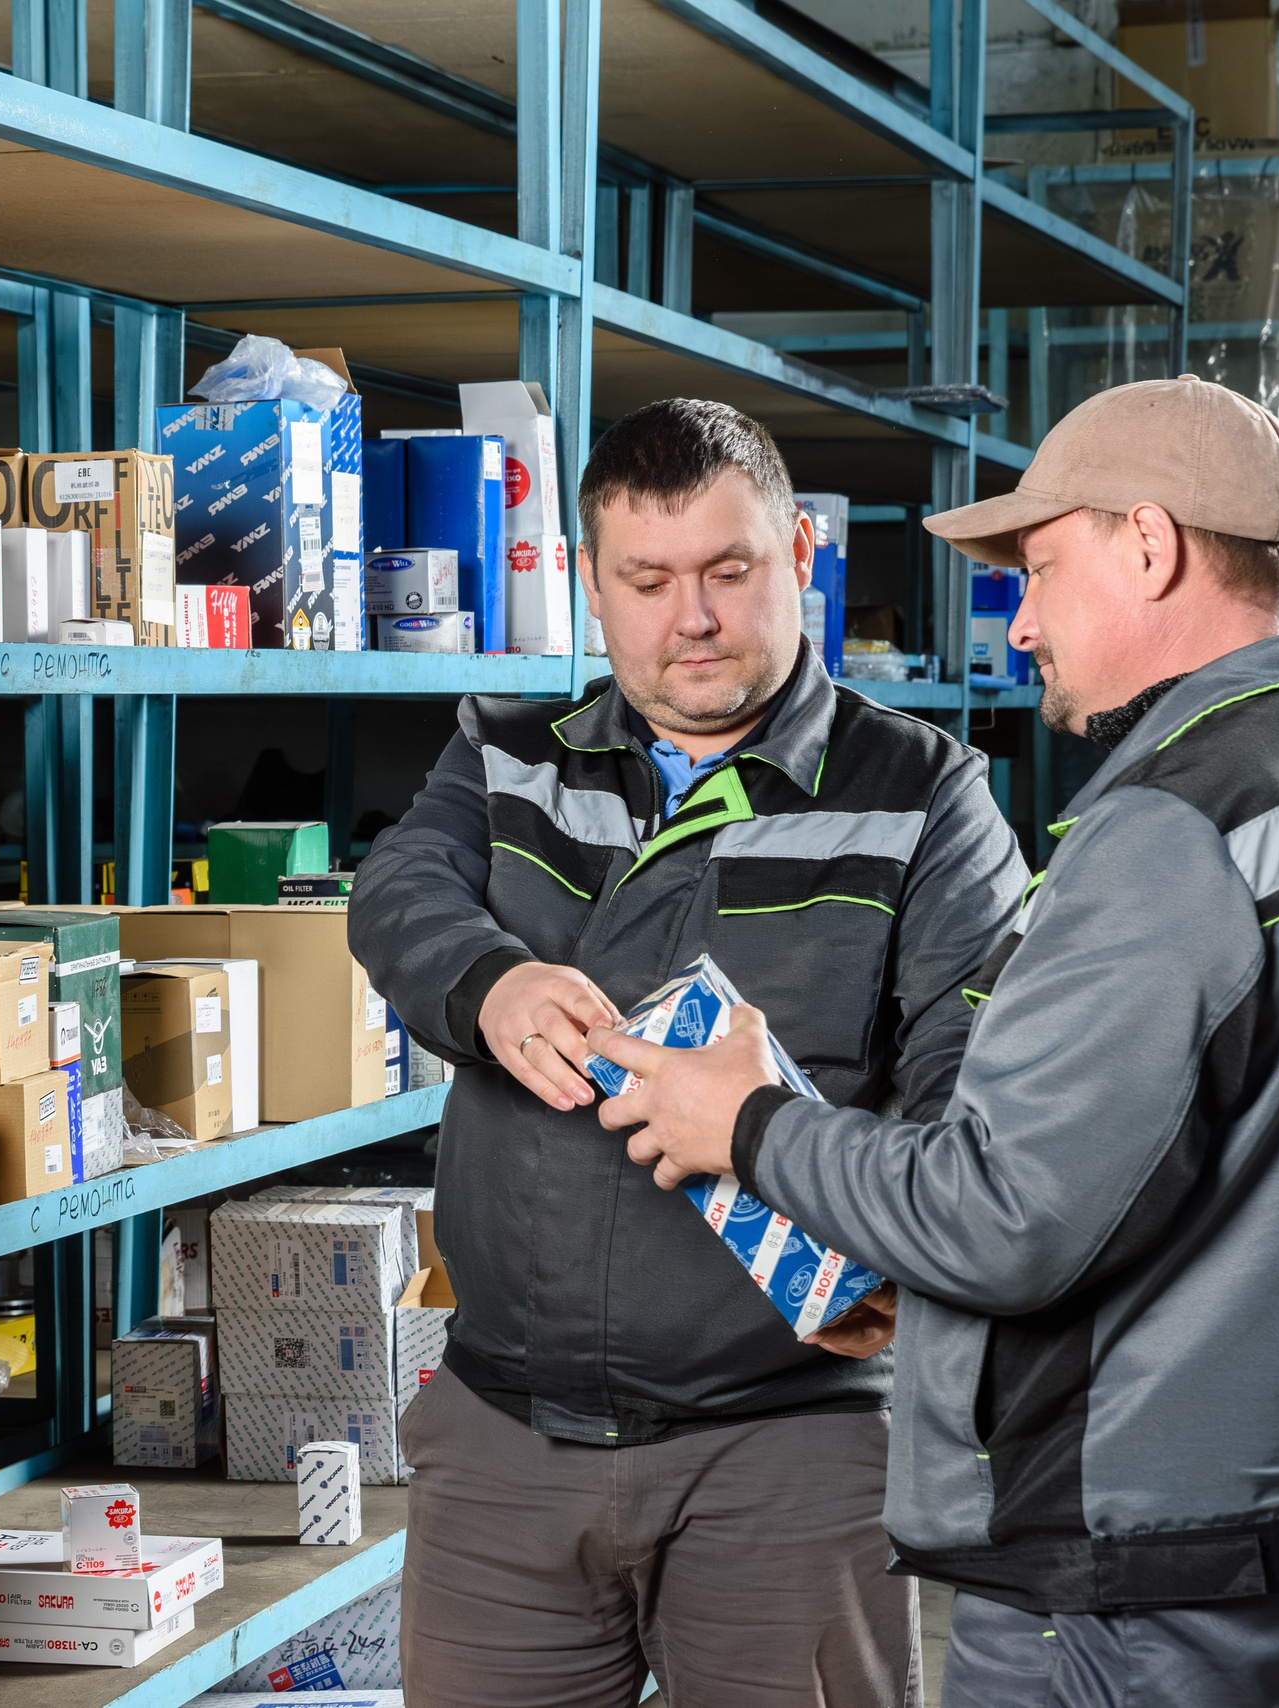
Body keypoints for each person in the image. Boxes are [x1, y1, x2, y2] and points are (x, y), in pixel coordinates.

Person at [598, 375, 1279, 1708]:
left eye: (1042, 567)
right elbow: (1197, 1174)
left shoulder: (1176, 832)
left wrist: (751, 1127)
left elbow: (1005, 1217)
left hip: (1119, 1571)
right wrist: (926, 1308)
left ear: (1153, 545)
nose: (1021, 619)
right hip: (1273, 1522)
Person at [348, 397, 1028, 1707]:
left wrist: (865, 1218)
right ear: (594, 585)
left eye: (729, 571)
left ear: (802, 559)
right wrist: (486, 983)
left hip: (788, 1446)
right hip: (505, 1437)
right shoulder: (506, 756)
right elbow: (398, 893)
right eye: (649, 581)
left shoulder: (923, 798)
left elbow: (975, 1100)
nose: (693, 619)